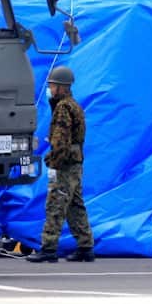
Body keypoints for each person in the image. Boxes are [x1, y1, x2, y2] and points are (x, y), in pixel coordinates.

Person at [27, 66, 95, 263]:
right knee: (75, 206)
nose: (50, 88)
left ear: (61, 87)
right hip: (75, 164)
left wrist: (52, 161)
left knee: (55, 205)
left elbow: (61, 140)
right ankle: (85, 247)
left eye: (53, 85)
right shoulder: (74, 106)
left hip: (64, 165)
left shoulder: (63, 108)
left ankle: (48, 248)